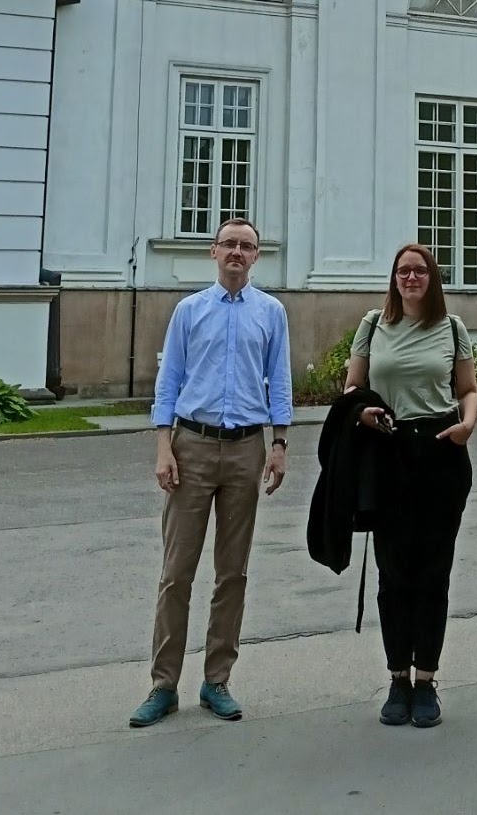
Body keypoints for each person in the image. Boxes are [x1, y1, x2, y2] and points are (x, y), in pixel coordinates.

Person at [128, 217, 292, 728]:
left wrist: (280, 443)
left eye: (247, 246)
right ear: (213, 252)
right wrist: (164, 447)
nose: (237, 252)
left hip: (245, 449)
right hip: (192, 447)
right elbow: (169, 381)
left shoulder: (271, 312)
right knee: (176, 572)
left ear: (256, 256)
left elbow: (279, 379)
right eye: (229, 244)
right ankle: (163, 685)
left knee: (232, 572)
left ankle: (216, 679)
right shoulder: (189, 310)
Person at [345, 242, 477, 728]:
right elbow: (352, 387)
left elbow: (468, 390)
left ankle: (426, 681)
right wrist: (361, 411)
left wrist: (468, 424)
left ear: (432, 277)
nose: (410, 278)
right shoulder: (373, 324)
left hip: (441, 449)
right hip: (389, 451)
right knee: (393, 572)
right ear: (394, 277)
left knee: (434, 572)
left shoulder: (452, 327)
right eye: (403, 270)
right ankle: (398, 677)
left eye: (419, 270)